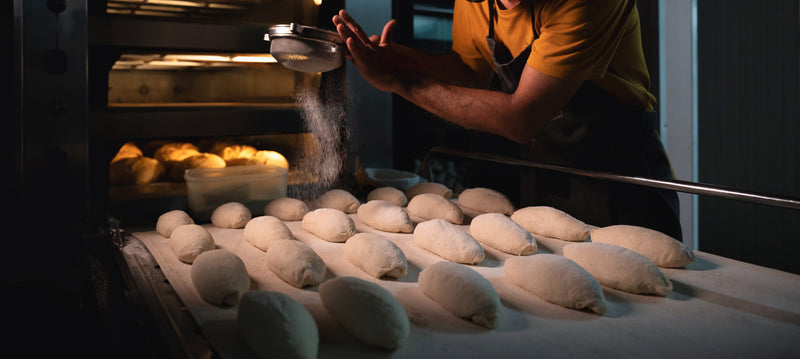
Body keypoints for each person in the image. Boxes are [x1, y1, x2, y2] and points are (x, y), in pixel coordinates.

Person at [332, 0, 683, 241]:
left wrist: (399, 82)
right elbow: (470, 73)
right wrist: (398, 61)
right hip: (546, 173)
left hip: (617, 176)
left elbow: (521, 117)